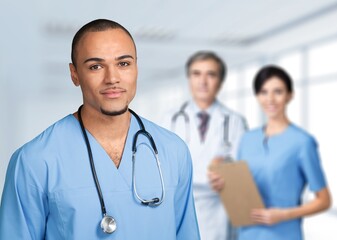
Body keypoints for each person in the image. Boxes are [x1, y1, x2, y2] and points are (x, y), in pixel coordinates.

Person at [0, 19, 200, 240]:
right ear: (74, 74)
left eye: (123, 63)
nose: (112, 78)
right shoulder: (34, 160)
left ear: (136, 67)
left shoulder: (173, 151)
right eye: (96, 66)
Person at [237, 65, 331, 240]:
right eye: (263, 92)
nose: (270, 99)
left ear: (290, 95)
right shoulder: (247, 139)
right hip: (247, 233)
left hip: (283, 234)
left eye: (278, 91)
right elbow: (241, 188)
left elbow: (324, 200)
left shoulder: (302, 142)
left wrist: (283, 215)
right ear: (257, 96)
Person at [162, 51, 247, 240]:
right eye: (196, 73)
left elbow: (243, 171)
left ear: (221, 81)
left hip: (219, 208)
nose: (203, 81)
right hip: (182, 203)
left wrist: (228, 169)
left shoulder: (234, 121)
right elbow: (162, 164)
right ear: (189, 78)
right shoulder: (171, 119)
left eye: (211, 74)